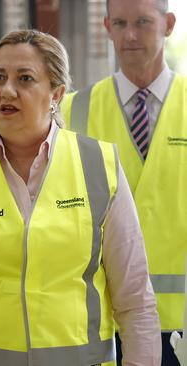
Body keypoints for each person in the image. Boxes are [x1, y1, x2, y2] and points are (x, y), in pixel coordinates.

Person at [0, 29, 161, 366]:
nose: (7, 90)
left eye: (25, 78)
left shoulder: (100, 167)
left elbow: (135, 299)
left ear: (56, 94)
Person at [61, 0, 183, 364]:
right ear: (106, 27)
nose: (130, 34)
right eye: (120, 23)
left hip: (182, 324)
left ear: (169, 24)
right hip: (96, 324)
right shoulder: (71, 111)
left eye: (143, 22)